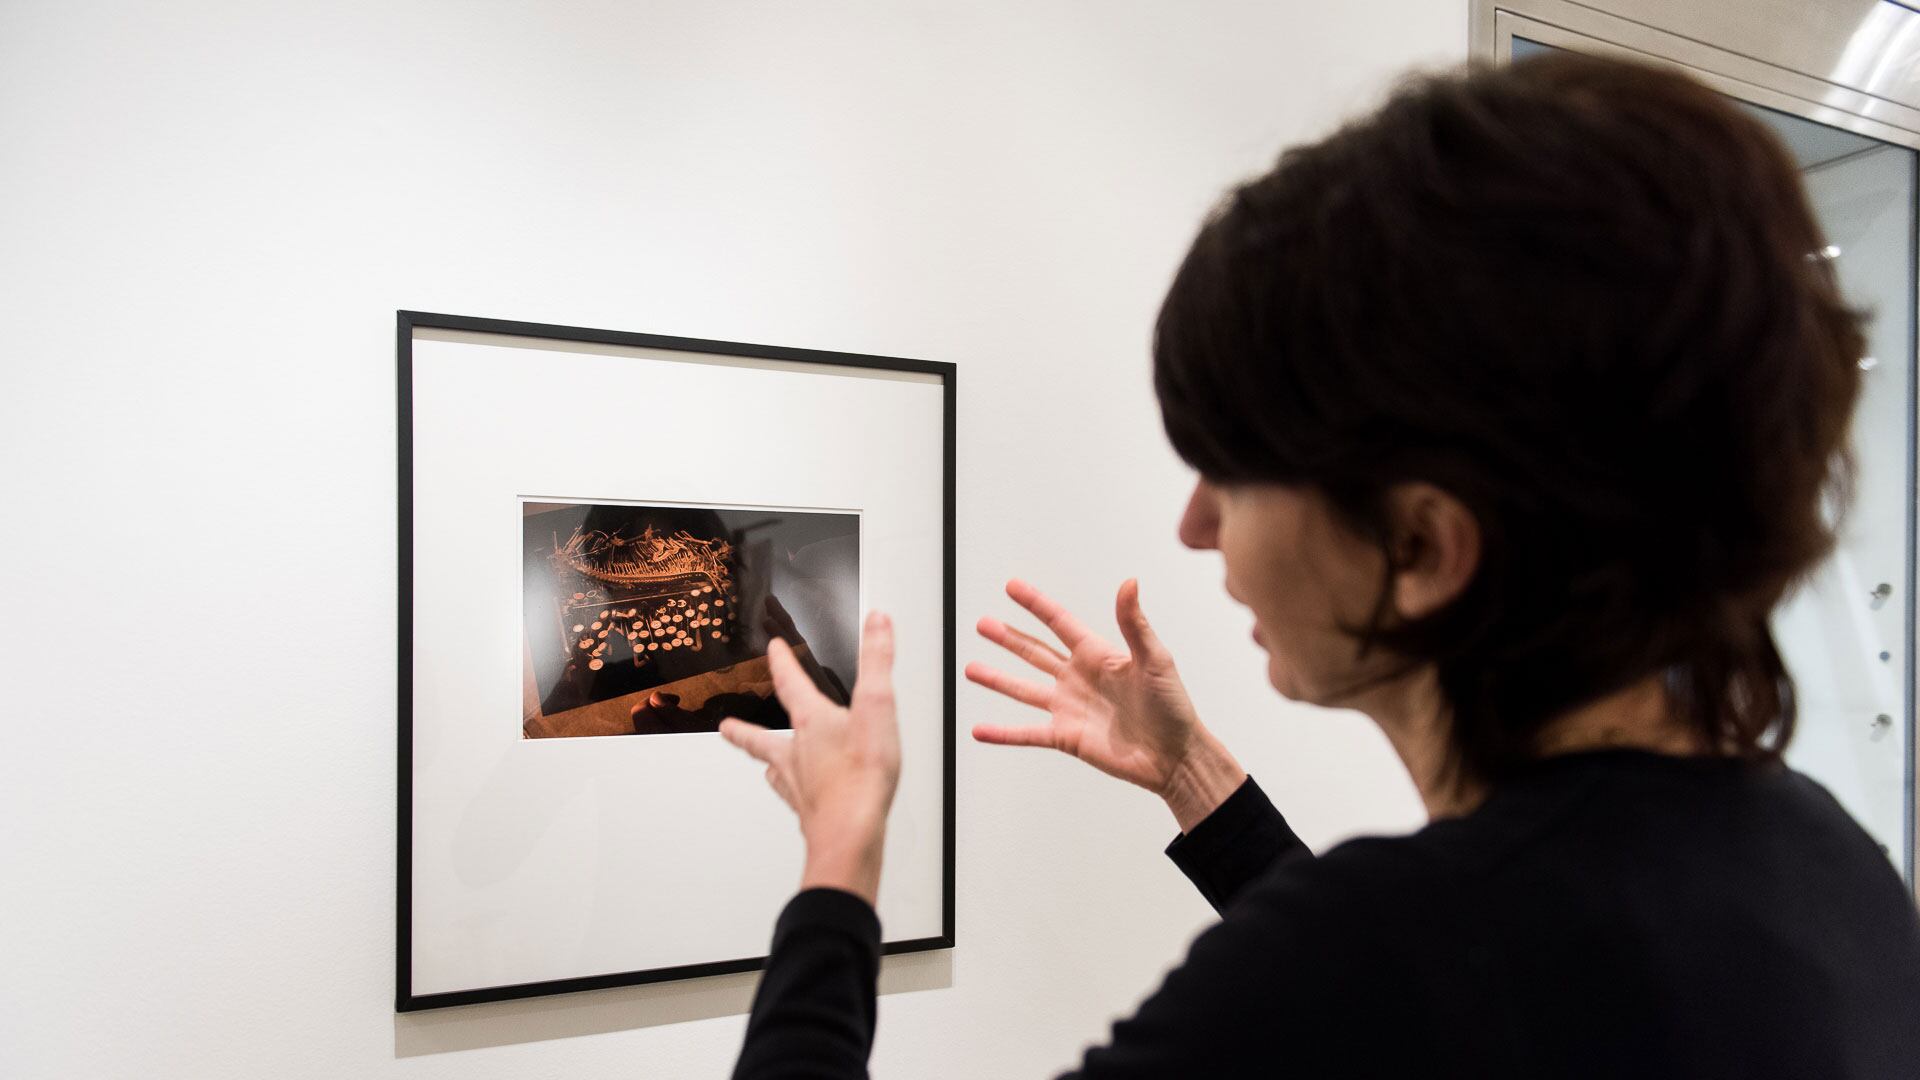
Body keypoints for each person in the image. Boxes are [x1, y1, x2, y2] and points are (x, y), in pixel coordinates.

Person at [717, 52, 1920, 1078]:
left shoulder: (1376, 952)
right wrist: (1197, 783)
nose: (1197, 528)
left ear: (1423, 547)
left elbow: (1397, 982)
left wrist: (843, 854)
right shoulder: (1823, 863)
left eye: (1232, 469)